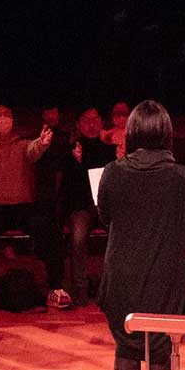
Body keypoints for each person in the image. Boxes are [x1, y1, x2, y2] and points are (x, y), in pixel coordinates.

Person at [95, 101, 185, 370]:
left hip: (122, 273)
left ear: (132, 132)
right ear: (166, 133)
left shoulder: (113, 172)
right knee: (161, 344)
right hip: (166, 274)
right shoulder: (180, 176)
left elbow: (104, 218)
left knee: (127, 344)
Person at [0, 104, 67, 313]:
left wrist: (42, 142)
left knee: (48, 224)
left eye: (7, 115)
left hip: (21, 206)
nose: (3, 118)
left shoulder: (21, 144)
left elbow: (33, 151)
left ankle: (55, 288)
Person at [56, 108, 116, 302]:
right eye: (86, 120)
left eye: (95, 119)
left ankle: (112, 286)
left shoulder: (109, 149)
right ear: (78, 124)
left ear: (101, 122)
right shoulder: (71, 149)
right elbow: (68, 187)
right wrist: (77, 162)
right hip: (81, 207)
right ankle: (80, 287)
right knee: (78, 238)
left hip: (105, 207)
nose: (91, 124)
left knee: (120, 233)